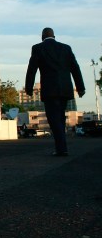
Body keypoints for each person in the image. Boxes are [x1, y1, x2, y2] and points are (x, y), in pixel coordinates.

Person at [25, 27, 85, 156]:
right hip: (65, 88)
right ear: (54, 36)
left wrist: (28, 88)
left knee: (53, 119)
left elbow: (32, 69)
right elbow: (75, 68)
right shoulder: (66, 48)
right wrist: (80, 87)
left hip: (49, 89)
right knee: (60, 117)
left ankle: (61, 148)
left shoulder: (37, 48)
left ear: (42, 36)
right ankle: (61, 146)